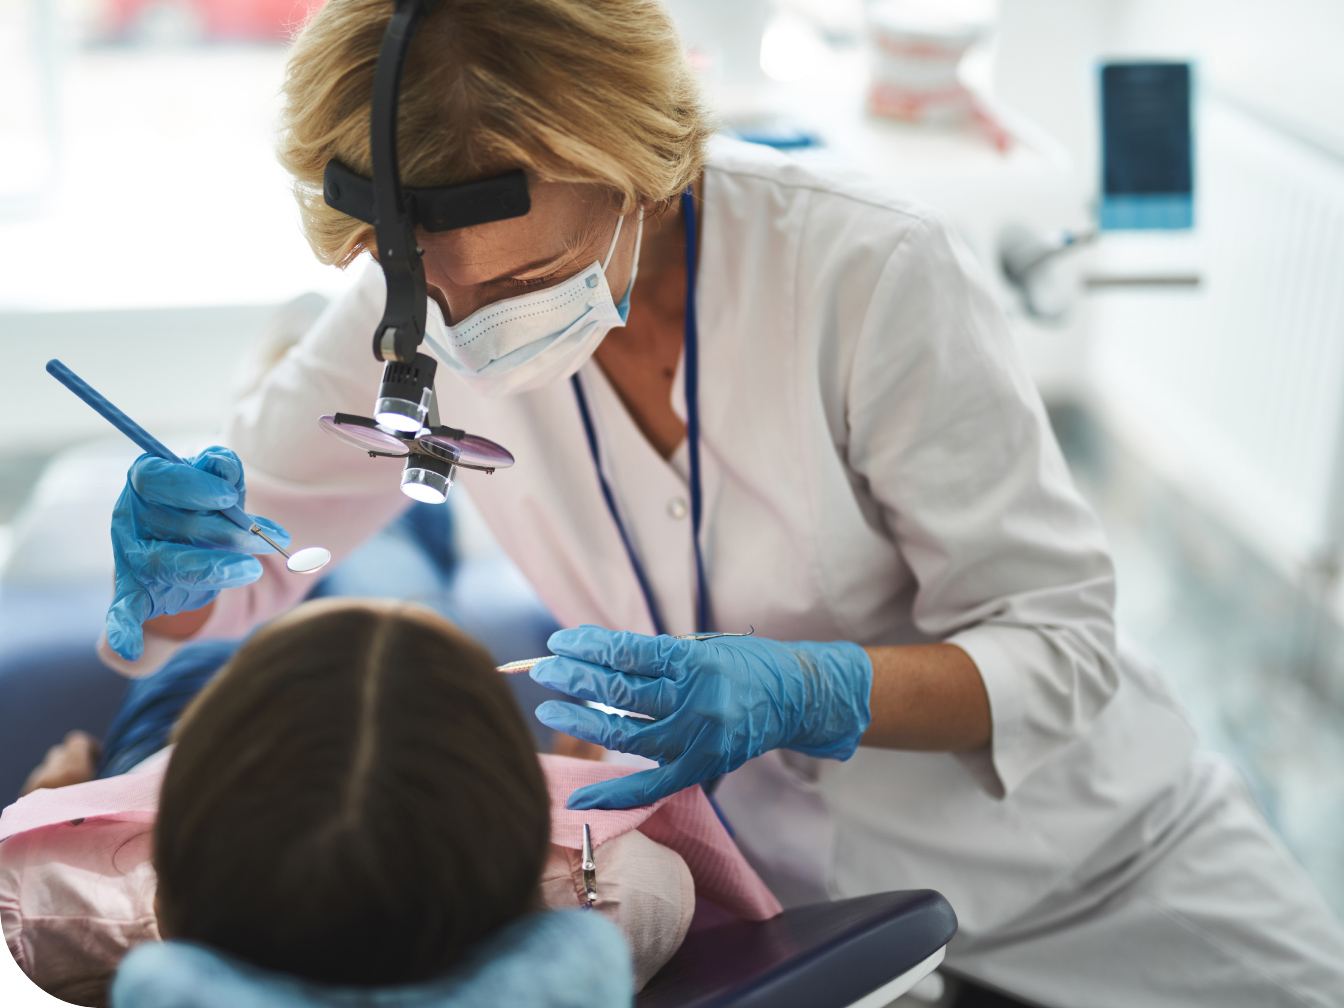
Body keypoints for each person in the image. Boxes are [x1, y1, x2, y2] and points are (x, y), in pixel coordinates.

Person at [91, 0, 1344, 1005]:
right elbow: (226, 581)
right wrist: (167, 570)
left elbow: (1061, 651)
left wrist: (819, 688)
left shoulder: (863, 270)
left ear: (634, 158)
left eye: (527, 277)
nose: (467, 341)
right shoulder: (407, 317)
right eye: (434, 293)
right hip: (792, 923)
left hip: (1100, 881)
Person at [3, 599, 779, 1006]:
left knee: (209, 652)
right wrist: (590, 780)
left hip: (170, 739)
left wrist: (53, 797)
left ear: (179, 840)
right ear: (515, 801)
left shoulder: (56, 911)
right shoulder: (625, 895)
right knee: (400, 587)